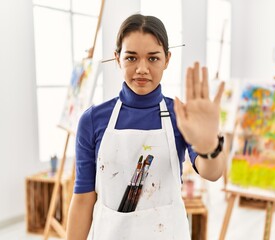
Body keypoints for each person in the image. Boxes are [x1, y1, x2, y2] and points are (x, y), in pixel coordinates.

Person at [66, 13, 225, 240]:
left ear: (167, 59)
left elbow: (213, 173)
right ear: (117, 58)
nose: (142, 68)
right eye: (131, 58)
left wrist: (209, 145)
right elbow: (83, 198)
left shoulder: (180, 115)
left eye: (153, 58)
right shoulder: (93, 120)